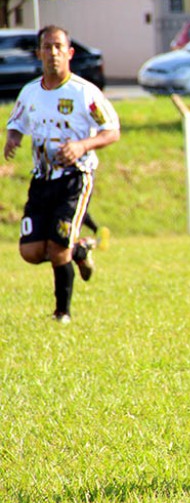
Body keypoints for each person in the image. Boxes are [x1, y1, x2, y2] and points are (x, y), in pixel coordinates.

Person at [4, 25, 121, 323]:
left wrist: (83, 145)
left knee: (57, 248)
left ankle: (62, 314)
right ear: (39, 53)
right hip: (41, 178)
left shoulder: (84, 93)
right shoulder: (30, 92)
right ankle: (79, 251)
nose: (53, 53)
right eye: (47, 47)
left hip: (75, 178)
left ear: (69, 53)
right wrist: (14, 138)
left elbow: (112, 131)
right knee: (30, 252)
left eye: (58, 47)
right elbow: (16, 121)